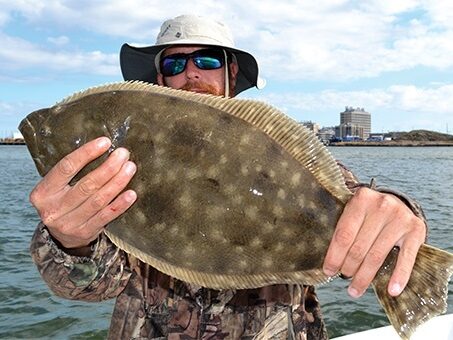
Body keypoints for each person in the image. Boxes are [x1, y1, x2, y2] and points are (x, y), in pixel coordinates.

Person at [29, 15, 427, 339]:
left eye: (206, 61)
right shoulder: (120, 165)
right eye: (174, 63)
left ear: (230, 73)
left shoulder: (276, 152)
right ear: (158, 80)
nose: (190, 73)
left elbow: (356, 198)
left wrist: (396, 211)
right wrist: (70, 240)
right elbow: (90, 286)